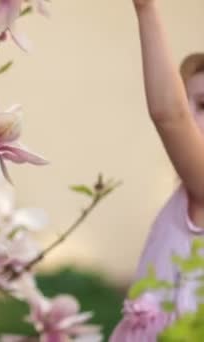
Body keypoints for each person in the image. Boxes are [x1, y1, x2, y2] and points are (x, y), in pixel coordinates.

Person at [110, 1, 204, 340]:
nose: (192, 117)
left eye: (203, 106)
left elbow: (170, 115)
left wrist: (146, 9)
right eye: (193, 102)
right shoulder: (184, 198)